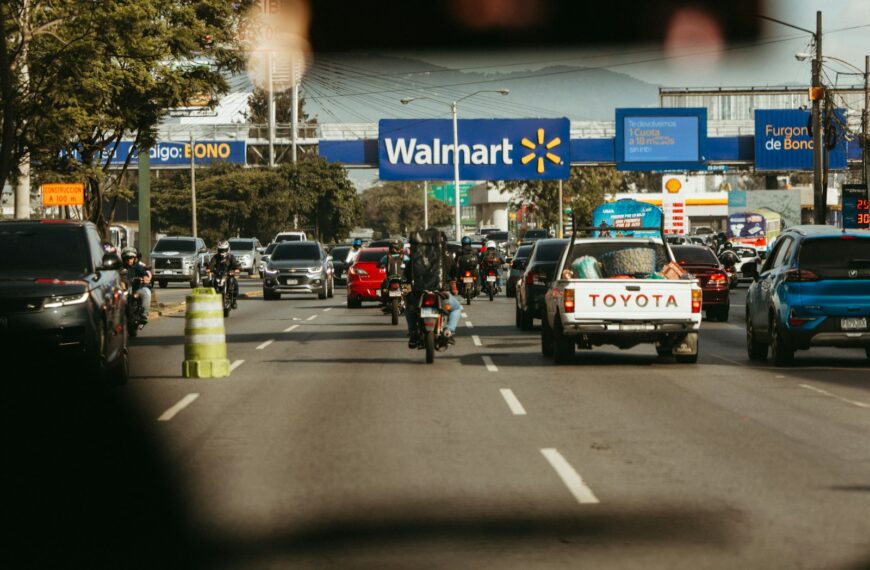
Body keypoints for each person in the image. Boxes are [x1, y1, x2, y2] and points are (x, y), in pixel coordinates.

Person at [404, 231, 462, 347]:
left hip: (418, 294)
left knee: (409, 309)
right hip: (441, 294)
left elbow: (407, 274)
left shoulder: (416, 257)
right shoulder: (447, 256)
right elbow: (453, 272)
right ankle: (449, 330)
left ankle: (413, 333)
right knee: (456, 308)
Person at [120, 246, 152, 321]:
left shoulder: (137, 266)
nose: (129, 260)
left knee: (146, 292)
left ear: (134, 258)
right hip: (123, 291)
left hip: (136, 290)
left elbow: (143, 273)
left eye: (131, 258)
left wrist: (144, 277)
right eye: (127, 258)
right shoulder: (120, 267)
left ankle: (144, 315)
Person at [207, 240, 241, 309]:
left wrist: (236, 270)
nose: (222, 252)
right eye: (221, 250)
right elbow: (211, 265)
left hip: (228, 275)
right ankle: (209, 300)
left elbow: (236, 266)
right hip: (218, 274)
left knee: (234, 282)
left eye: (224, 250)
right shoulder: (215, 257)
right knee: (210, 282)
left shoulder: (231, 257)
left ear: (228, 249)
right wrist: (209, 268)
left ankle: (234, 300)